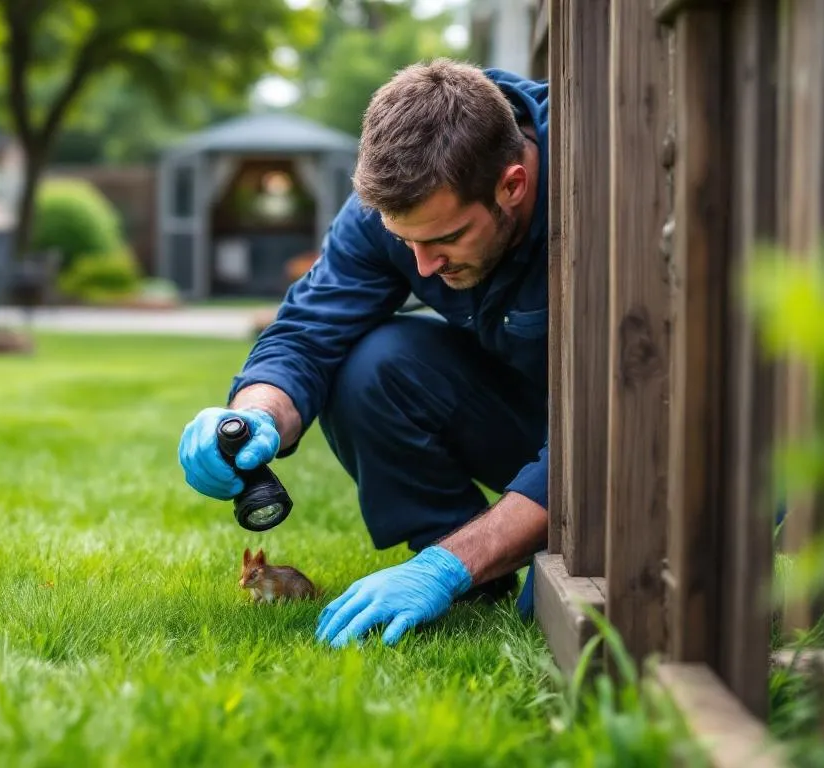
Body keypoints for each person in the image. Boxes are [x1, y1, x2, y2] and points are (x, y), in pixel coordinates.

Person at [177, 59, 551, 649]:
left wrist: (449, 565)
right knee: (369, 361)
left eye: (446, 238)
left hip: (614, 438)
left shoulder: (592, 198)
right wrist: (257, 414)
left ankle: (463, 562)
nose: (423, 265)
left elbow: (619, 422)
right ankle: (475, 572)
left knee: (547, 620)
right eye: (407, 243)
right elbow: (308, 332)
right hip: (522, 416)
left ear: (512, 184)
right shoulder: (393, 208)